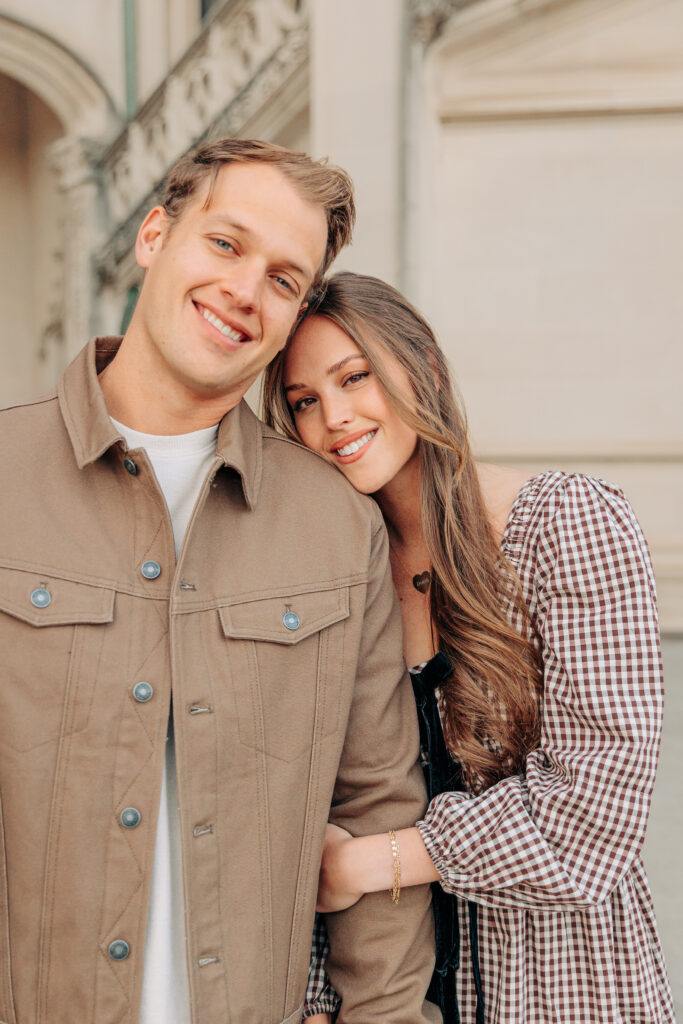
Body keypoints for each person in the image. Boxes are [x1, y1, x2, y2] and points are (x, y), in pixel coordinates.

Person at [0, 144, 440, 1024]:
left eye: (285, 280)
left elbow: (379, 808)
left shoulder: (332, 525)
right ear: (154, 236)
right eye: (227, 245)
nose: (246, 291)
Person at [263, 271, 676, 1024]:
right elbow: (327, 805)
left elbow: (594, 814)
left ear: (423, 368)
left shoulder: (569, 527)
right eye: (304, 402)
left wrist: (369, 862)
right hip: (391, 999)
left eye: (355, 377)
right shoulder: (330, 581)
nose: (335, 418)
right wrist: (319, 996)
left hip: (564, 992)